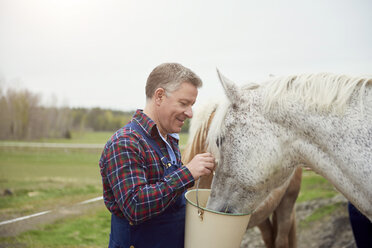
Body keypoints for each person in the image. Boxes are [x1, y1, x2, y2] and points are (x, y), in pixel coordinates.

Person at [99, 62, 215, 248]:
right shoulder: (126, 142)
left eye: (192, 105)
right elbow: (135, 206)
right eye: (184, 103)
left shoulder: (169, 140)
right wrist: (188, 173)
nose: (190, 113)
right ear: (159, 96)